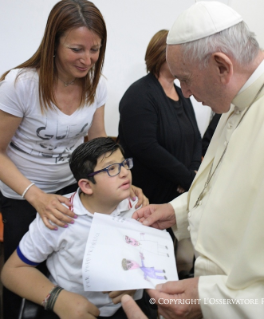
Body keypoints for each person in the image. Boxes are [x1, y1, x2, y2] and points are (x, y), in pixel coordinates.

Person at [133, 1, 264, 319]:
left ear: (222, 66)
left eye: (186, 80)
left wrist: (210, 299)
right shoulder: (239, 95)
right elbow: (230, 190)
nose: (187, 93)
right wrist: (177, 212)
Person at [0, 1, 146, 318]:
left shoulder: (97, 87)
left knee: (75, 261)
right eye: (77, 49)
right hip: (22, 193)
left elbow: (98, 144)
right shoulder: (20, 85)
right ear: (54, 43)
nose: (87, 59)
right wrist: (35, 196)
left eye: (95, 50)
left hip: (71, 186)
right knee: (22, 274)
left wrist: (123, 181)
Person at [1, 137, 157, 319]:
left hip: (122, 307)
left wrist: (137, 277)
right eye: (111, 169)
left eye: (124, 164)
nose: (124, 173)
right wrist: (57, 299)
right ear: (86, 186)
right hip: (69, 308)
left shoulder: (135, 204)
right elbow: (12, 272)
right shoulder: (60, 216)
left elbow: (151, 252)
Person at [118, 29, 202, 205]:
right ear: (160, 54)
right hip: (149, 195)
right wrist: (185, 177)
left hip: (181, 191)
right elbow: (146, 147)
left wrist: (192, 173)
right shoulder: (139, 94)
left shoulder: (182, 93)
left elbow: (195, 138)